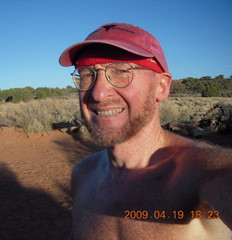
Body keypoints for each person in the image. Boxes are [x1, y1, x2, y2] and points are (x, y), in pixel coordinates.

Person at [59, 23, 232, 239]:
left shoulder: (205, 174)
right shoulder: (83, 174)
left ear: (161, 87)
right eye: (86, 74)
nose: (98, 94)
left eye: (121, 71)